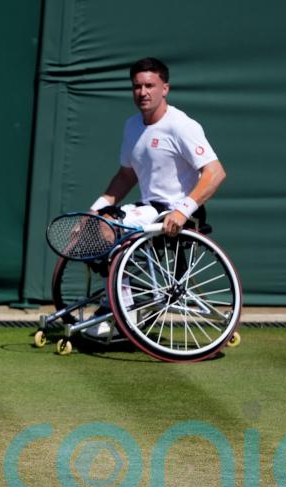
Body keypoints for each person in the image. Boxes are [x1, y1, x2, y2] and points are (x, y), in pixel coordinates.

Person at [85, 57, 226, 337]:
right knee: (95, 225)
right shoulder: (131, 126)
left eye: (150, 85)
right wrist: (94, 210)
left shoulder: (181, 125)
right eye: (137, 86)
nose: (143, 92)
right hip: (149, 210)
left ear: (165, 89)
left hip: (178, 212)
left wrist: (183, 210)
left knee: (108, 228)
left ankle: (121, 313)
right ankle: (120, 304)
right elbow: (126, 176)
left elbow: (215, 173)